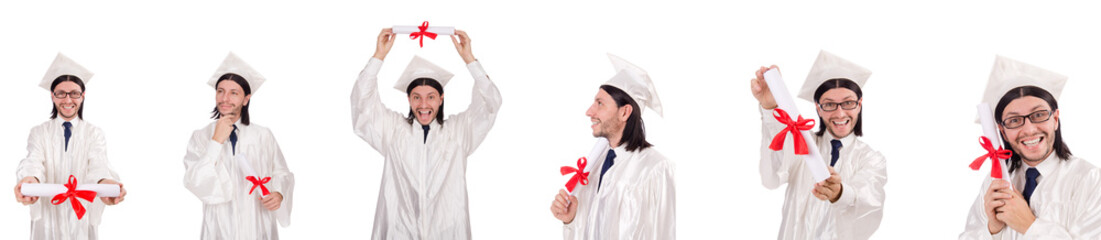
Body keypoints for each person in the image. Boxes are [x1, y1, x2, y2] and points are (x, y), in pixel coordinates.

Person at [351, 28, 501, 239]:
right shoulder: (393, 131)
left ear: (441, 98)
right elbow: (362, 106)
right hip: (399, 230)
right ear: (409, 99)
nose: (423, 105)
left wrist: (470, 60)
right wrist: (379, 57)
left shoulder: (459, 132)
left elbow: (490, 104)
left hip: (448, 232)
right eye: (416, 97)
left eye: (431, 97)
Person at [749, 51, 887, 239]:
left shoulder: (871, 159)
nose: (839, 114)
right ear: (818, 107)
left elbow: (870, 202)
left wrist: (840, 193)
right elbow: (771, 178)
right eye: (829, 104)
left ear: (859, 104)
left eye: (848, 103)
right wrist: (770, 108)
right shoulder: (802, 144)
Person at [959, 56, 1101, 239]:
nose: (1029, 129)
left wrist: (1029, 225)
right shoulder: (995, 183)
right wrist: (992, 228)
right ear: (1002, 131)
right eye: (1014, 120)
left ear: (1055, 119)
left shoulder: (1091, 181)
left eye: (1039, 114)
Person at [549, 54, 675, 239]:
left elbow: (664, 233)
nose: (589, 111)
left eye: (600, 103)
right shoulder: (597, 165)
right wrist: (570, 220)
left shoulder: (655, 169)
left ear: (625, 112)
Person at [183, 52, 294, 239]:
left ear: (246, 99)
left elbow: (282, 173)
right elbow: (195, 181)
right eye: (220, 91)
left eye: (233, 93)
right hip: (220, 226)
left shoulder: (262, 135)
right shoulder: (201, 137)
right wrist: (216, 142)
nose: (225, 98)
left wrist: (279, 193)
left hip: (258, 223)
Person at [14, 53, 126, 240]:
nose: (67, 100)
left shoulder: (93, 133)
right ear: (52, 95)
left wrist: (105, 184)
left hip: (80, 219)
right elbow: (33, 160)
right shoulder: (39, 132)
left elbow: (98, 164)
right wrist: (30, 180)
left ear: (82, 96)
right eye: (61, 93)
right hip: (49, 219)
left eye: (74, 93)